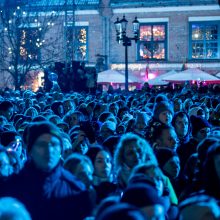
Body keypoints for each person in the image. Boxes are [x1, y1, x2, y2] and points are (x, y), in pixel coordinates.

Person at [0, 121, 93, 220]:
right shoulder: (10, 187)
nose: (49, 150)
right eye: (42, 144)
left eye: (54, 144)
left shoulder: (75, 189)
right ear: (30, 149)